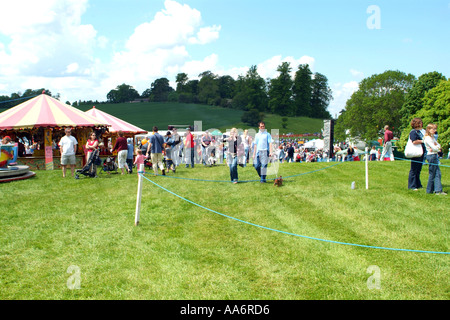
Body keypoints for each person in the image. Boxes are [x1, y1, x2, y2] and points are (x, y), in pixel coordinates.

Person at [424, 123, 446, 195]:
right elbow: (434, 148)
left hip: (434, 155)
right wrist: (436, 148)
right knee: (433, 173)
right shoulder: (427, 138)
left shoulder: (432, 137)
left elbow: (438, 145)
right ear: (429, 129)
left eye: (435, 129)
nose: (435, 130)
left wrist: (436, 148)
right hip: (431, 156)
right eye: (433, 129)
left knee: (437, 173)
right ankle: (433, 190)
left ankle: (435, 190)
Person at [408, 118, 426, 191]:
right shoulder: (413, 132)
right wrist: (423, 141)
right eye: (420, 122)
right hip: (416, 152)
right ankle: (412, 185)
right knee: (414, 169)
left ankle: (418, 184)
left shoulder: (422, 131)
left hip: (421, 152)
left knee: (418, 169)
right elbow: (414, 141)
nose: (421, 123)